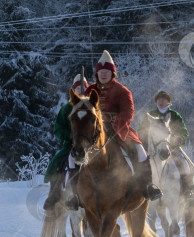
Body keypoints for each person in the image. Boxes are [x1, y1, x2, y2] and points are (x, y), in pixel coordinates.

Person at [67, 50, 162, 209]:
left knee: (140, 151)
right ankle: (76, 194)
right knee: (72, 156)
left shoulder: (123, 91)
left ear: (112, 73)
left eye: (106, 72)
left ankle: (148, 186)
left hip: (119, 130)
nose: (103, 75)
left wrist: (116, 123)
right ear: (97, 74)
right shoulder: (90, 90)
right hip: (94, 133)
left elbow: (128, 111)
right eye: (100, 72)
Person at [43, 74, 88, 213]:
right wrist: (69, 135)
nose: (81, 91)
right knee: (58, 161)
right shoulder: (66, 108)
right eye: (78, 88)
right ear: (74, 91)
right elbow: (57, 129)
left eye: (83, 88)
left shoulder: (91, 106)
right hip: (71, 144)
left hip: (89, 144)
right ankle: (55, 193)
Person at [138, 90, 194, 199]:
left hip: (172, 148)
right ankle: (141, 187)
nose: (161, 101)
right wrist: (142, 133)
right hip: (152, 149)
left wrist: (180, 137)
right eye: (159, 99)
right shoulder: (150, 115)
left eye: (164, 99)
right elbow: (141, 129)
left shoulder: (174, 115)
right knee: (141, 164)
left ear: (169, 102)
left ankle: (187, 189)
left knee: (185, 164)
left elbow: (183, 131)